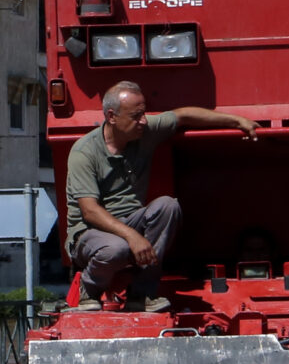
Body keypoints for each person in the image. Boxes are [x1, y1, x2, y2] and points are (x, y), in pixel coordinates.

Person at [66, 81, 260, 311]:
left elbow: (183, 115)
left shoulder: (143, 132)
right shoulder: (84, 152)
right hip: (92, 233)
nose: (144, 121)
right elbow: (89, 210)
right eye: (136, 116)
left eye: (144, 113)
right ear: (112, 116)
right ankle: (89, 289)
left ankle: (142, 293)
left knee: (168, 206)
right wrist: (132, 237)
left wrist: (238, 121)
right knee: (116, 249)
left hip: (130, 221)